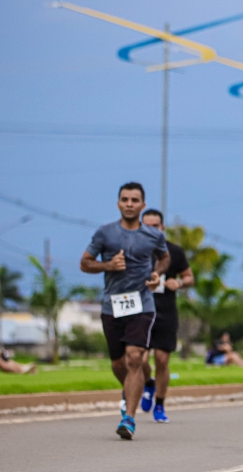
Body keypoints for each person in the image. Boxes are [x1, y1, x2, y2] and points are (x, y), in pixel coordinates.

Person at [80, 181, 170, 440]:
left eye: (134, 200)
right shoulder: (105, 233)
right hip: (113, 306)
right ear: (118, 203)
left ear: (142, 205)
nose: (129, 204)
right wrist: (108, 265)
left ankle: (128, 419)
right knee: (119, 364)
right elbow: (85, 263)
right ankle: (135, 388)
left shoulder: (153, 235)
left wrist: (156, 273)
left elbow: (164, 258)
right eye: (125, 199)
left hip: (142, 304)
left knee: (134, 357)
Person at [138, 209, 192, 423]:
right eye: (147, 226)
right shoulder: (134, 250)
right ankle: (148, 383)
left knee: (162, 360)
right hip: (141, 310)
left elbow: (189, 277)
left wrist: (178, 282)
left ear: (162, 228)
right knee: (139, 358)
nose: (152, 230)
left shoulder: (174, 252)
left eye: (156, 226)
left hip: (166, 311)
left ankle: (159, 403)